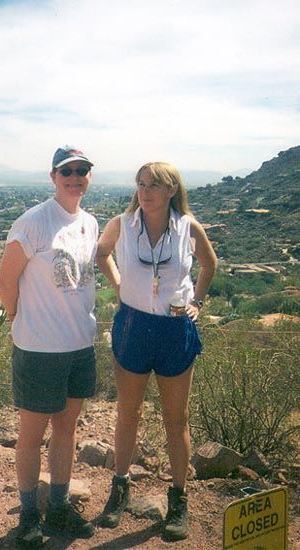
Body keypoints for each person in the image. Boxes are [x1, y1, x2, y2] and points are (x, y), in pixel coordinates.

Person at [96, 161, 217, 541]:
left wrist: (197, 300)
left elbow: (209, 263)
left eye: (153, 185)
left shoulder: (187, 227)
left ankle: (178, 500)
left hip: (174, 327)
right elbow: (101, 254)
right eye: (140, 184)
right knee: (128, 413)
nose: (144, 191)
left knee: (175, 420)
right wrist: (119, 286)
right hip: (133, 325)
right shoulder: (122, 224)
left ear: (170, 190)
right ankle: (120, 487)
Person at [0, 146, 98, 547]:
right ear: (53, 176)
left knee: (67, 429)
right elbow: (6, 280)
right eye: (67, 171)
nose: (75, 177)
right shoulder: (34, 222)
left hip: (79, 344)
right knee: (31, 434)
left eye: (82, 170)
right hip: (39, 348)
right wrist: (14, 318)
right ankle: (28, 515)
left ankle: (57, 506)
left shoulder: (89, 222)